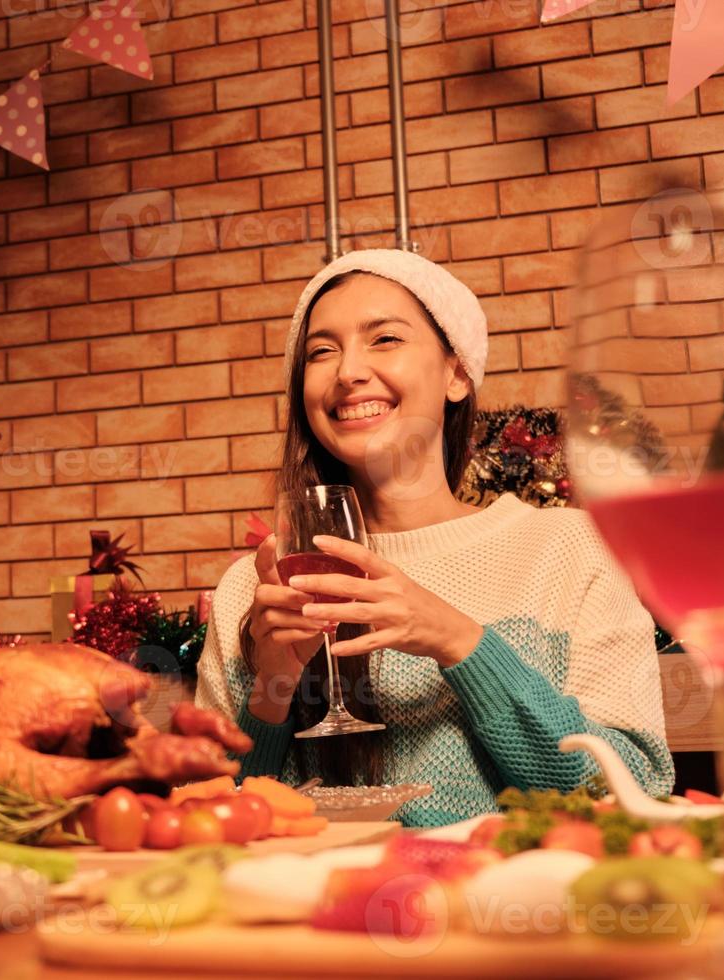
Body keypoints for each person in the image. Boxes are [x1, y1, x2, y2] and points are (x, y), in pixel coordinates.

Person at [195, 249, 674, 827]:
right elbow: (204, 821)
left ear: (457, 374)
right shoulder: (256, 586)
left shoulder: (571, 550)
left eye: (385, 339)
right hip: (315, 914)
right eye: (322, 351)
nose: (348, 371)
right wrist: (271, 692)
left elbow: (636, 795)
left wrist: (460, 642)